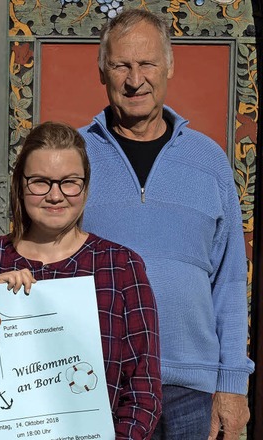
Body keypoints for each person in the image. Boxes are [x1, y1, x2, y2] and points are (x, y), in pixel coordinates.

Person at [79, 8, 255, 440]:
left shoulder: (209, 160)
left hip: (192, 390)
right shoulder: (74, 155)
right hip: (97, 384)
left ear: (169, 66)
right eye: (121, 65)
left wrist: (232, 388)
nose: (134, 79)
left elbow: (230, 282)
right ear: (102, 71)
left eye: (147, 64)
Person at [0, 121, 162, 439]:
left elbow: (143, 391)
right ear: (20, 185)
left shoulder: (120, 267)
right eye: (40, 182)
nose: (55, 195)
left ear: (85, 187)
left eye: (69, 182)